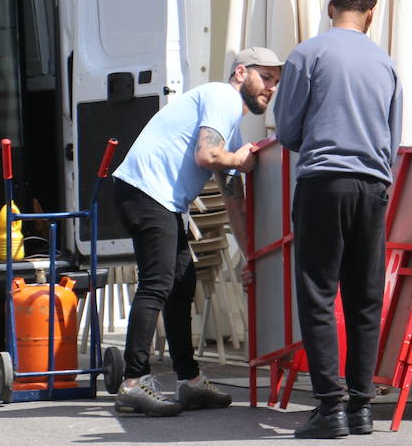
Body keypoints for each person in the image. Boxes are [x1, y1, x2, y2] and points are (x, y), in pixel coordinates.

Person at [111, 47, 283, 416]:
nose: (271, 89)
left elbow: (233, 199)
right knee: (158, 283)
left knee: (182, 281)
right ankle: (132, 382)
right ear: (241, 72)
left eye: (276, 82)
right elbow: (207, 156)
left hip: (154, 198)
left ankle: (189, 382)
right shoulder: (223, 96)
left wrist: (250, 256)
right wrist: (240, 159)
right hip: (146, 192)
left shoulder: (227, 121)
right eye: (265, 77)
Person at [273, 0, 403, 439]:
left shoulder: (308, 53)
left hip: (323, 182)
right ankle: (363, 408)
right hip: (373, 186)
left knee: (318, 293)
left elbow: (287, 130)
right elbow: (393, 140)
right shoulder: (386, 64)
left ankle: (330, 407)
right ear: (372, 13)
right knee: (365, 298)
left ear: (331, 8)